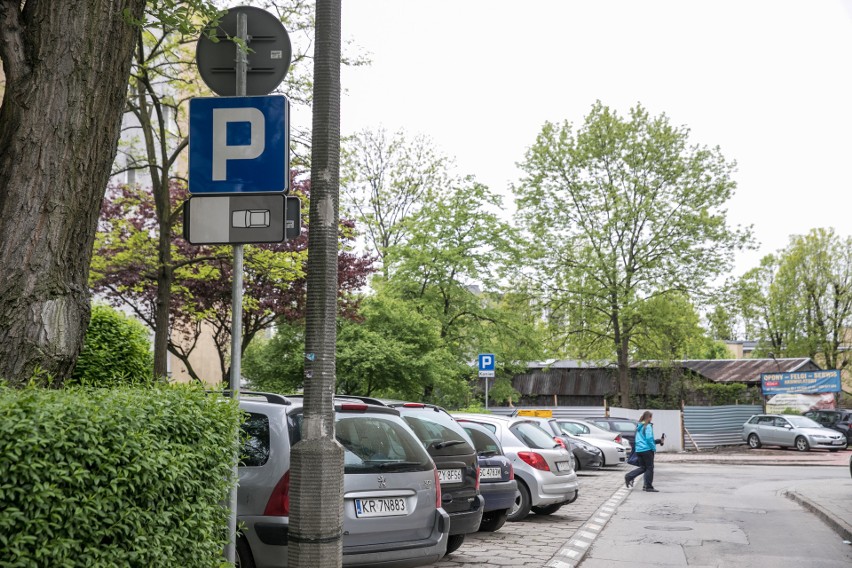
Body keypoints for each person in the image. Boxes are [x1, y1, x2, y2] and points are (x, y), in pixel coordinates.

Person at [624, 411, 664, 492]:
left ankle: (630, 476)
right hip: (647, 450)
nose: (651, 419)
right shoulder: (648, 426)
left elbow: (643, 439)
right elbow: (649, 439)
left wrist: (658, 441)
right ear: (648, 417)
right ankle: (648, 487)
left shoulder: (639, 425)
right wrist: (653, 448)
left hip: (639, 450)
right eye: (651, 417)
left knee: (643, 468)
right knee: (649, 468)